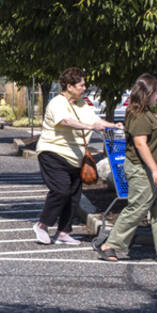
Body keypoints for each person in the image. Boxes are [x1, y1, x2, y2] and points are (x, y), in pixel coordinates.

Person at [99, 73, 157, 262]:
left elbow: (150, 140)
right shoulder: (138, 116)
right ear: (147, 93)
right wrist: (154, 169)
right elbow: (140, 144)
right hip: (143, 171)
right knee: (138, 208)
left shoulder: (145, 113)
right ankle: (109, 245)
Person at [34, 67, 120, 244]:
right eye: (81, 85)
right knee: (61, 189)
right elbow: (66, 121)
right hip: (53, 152)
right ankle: (42, 225)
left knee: (74, 195)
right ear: (69, 86)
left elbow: (95, 121)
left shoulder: (82, 105)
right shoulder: (57, 103)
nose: (84, 87)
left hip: (76, 157)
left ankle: (63, 232)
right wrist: (89, 127)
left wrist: (113, 125)